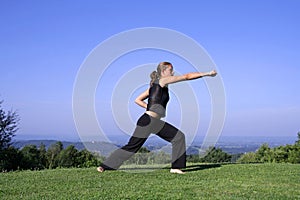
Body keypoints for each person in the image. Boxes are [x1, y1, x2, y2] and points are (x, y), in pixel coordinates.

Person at [97, 61, 217, 174]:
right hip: (147, 121)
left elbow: (137, 100)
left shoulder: (157, 85)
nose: (173, 72)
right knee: (132, 147)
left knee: (178, 137)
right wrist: (207, 74)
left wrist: (150, 107)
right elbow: (187, 76)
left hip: (155, 122)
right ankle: (105, 166)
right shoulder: (162, 81)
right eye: (170, 70)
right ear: (163, 71)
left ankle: (175, 167)